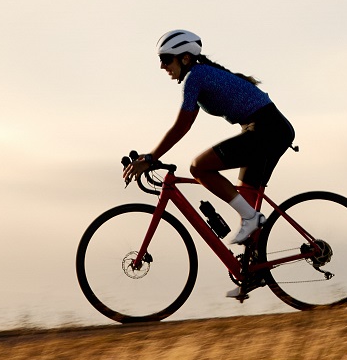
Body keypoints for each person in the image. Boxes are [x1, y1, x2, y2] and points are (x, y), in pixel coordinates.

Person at [125, 29, 296, 295]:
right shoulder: (200, 73)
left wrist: (151, 158)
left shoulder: (196, 76)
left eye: (166, 59)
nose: (162, 66)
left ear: (184, 58)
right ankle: (252, 272)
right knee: (245, 195)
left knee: (199, 167)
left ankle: (251, 218)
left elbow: (182, 125)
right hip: (263, 129)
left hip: (266, 129)